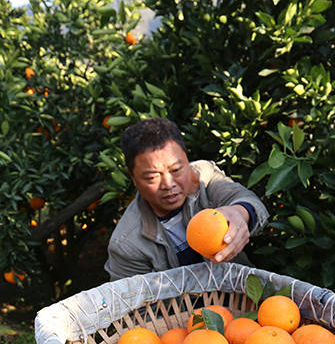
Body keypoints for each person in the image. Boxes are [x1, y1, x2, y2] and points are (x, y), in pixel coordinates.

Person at [104, 118, 269, 281]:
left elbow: (248, 201)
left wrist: (240, 212)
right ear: (132, 176)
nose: (168, 185)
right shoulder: (127, 245)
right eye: (152, 177)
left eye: (176, 169)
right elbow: (133, 301)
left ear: (186, 159)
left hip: (242, 297)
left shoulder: (205, 177)